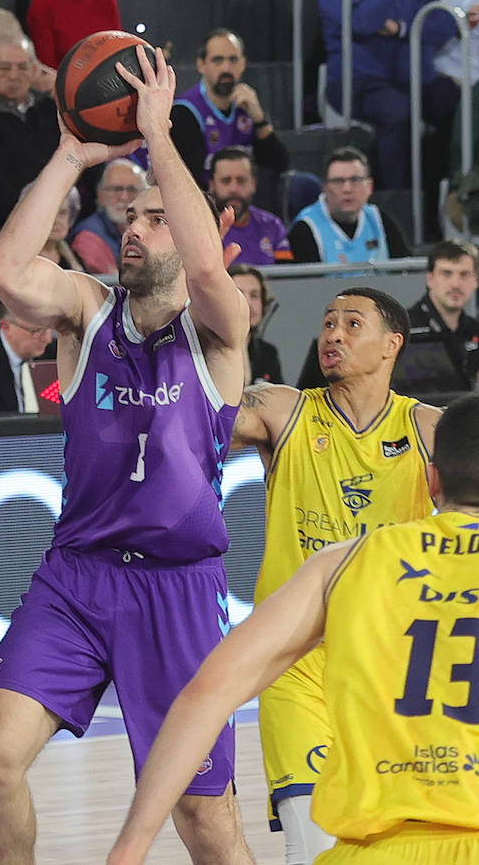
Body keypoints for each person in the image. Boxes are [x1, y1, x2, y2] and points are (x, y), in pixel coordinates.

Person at [0, 46, 254, 865]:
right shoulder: (87, 309)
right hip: (79, 573)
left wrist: (157, 136)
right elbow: (7, 272)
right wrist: (68, 154)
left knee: (203, 820)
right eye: (127, 215)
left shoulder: (218, 328)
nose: (133, 225)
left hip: (179, 588)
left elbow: (203, 262)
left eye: (153, 215)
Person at [108, 394, 479, 865]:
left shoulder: (344, 563)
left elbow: (208, 692)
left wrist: (132, 844)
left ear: (432, 481)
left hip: (380, 850)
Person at [226, 285, 440, 863]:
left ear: (392, 344)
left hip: (388, 668)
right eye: (327, 323)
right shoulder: (284, 409)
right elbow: (201, 413)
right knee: (313, 839)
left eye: (352, 323)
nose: (334, 335)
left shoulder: (427, 429)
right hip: (297, 663)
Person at [320, 0, 458, 191]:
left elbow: (445, 24)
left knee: (454, 101)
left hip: (411, 77)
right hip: (357, 80)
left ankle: (450, 188)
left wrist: (402, 28)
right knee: (396, 110)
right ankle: (396, 199)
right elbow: (359, 22)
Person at [141, 29, 289, 185]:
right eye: (217, 60)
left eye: (233, 60)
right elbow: (188, 181)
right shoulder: (185, 111)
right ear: (201, 65)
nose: (226, 68)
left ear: (243, 63)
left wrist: (260, 120)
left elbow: (279, 165)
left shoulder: (249, 106)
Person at [0, 37, 60, 229]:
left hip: (53, 214)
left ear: (34, 70)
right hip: (3, 221)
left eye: (22, 67)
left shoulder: (51, 109)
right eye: (5, 68)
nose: (13, 75)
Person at [288, 146, 410, 269]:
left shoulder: (380, 220)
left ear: (369, 187)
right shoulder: (305, 228)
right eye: (338, 181)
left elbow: (408, 273)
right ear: (325, 188)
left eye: (355, 180)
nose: (347, 189)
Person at [405, 239, 479, 392]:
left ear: (475, 281)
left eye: (464, 274)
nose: (456, 284)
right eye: (447, 273)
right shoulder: (406, 330)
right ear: (430, 278)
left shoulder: (475, 330)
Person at [211, 146, 290, 267]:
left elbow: (288, 278)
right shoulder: (202, 228)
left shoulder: (273, 226)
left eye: (241, 180)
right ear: (212, 185)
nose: (234, 189)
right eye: (226, 181)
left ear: (253, 184)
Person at [69, 158, 147, 275]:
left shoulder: (152, 227)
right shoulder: (88, 237)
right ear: (100, 195)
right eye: (116, 189)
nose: (124, 197)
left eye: (132, 189)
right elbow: (116, 282)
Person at [24, 0, 120, 71]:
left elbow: (118, 54)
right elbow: (46, 68)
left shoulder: (106, 2)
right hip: (60, 84)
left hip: (107, 82)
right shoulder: (42, 4)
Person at [229, 264, 282, 385]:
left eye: (254, 295)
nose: (247, 303)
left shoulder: (268, 353)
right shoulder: (205, 349)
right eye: (239, 294)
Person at [22, 182, 84, 271]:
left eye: (62, 213)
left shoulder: (73, 257)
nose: (56, 221)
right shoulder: (20, 258)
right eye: (49, 213)